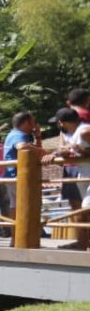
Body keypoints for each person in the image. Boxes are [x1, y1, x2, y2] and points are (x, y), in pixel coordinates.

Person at [44, 106, 90, 251]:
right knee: (82, 211)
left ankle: (82, 243)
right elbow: (67, 149)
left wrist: (78, 149)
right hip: (83, 175)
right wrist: (61, 152)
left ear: (61, 122)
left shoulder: (84, 131)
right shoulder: (72, 134)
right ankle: (82, 243)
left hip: (86, 175)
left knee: (85, 208)